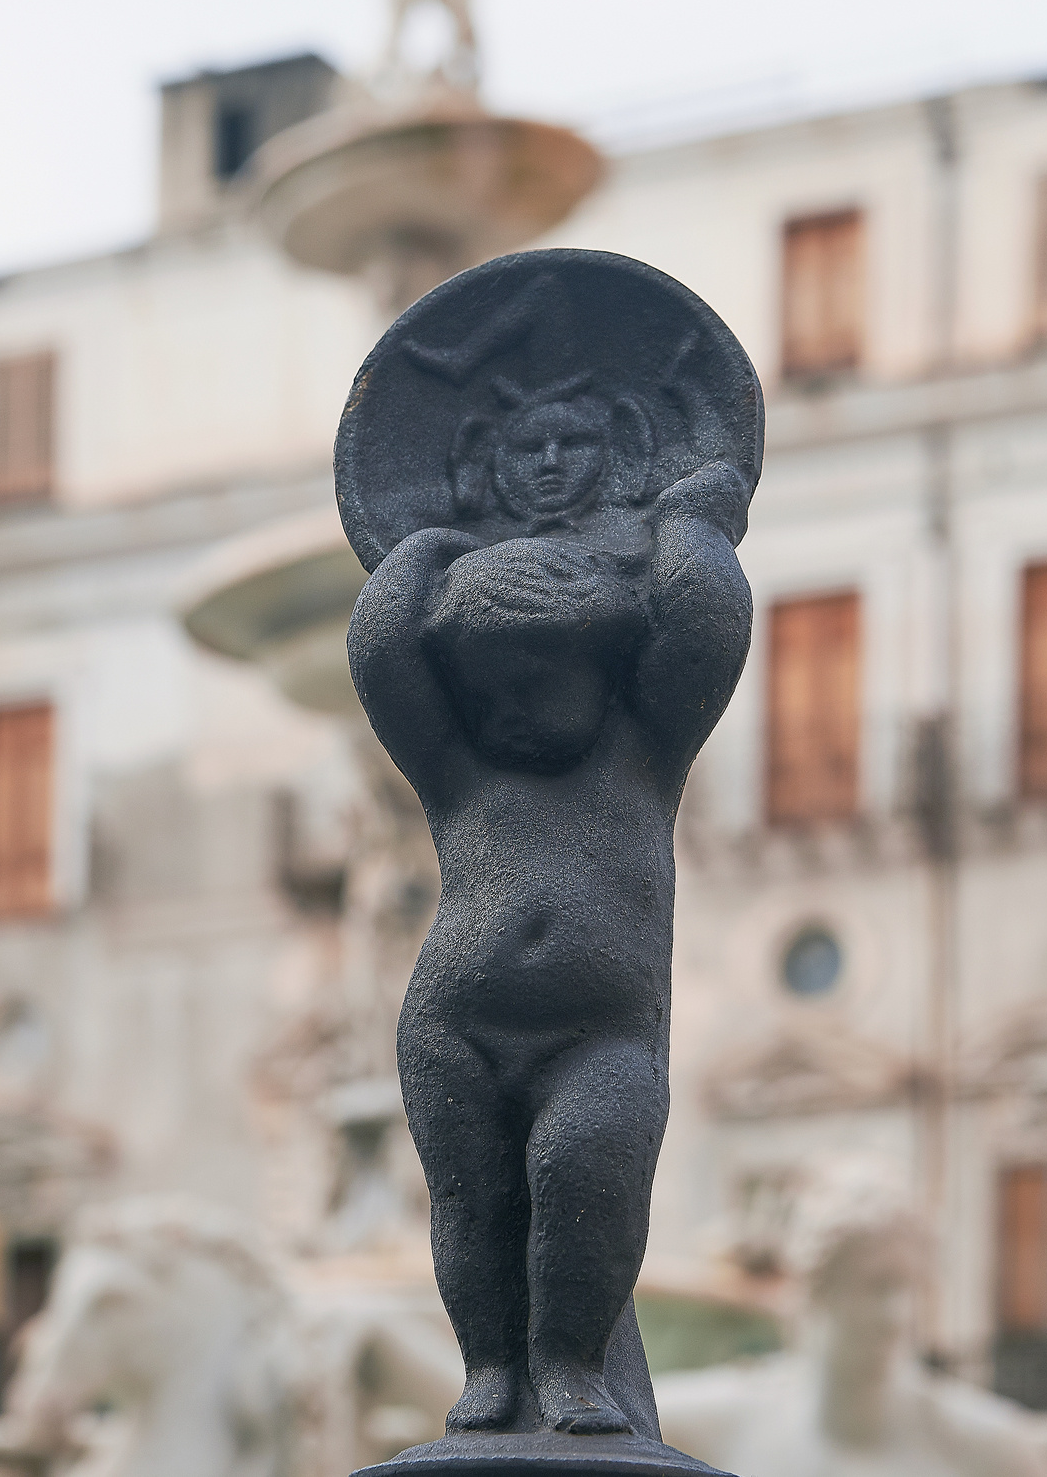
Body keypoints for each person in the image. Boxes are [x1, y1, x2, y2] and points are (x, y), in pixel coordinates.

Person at [347, 372, 752, 1438]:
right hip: (455, 1022)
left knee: (589, 1174)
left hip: (602, 1028)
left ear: (597, 669)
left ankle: (571, 1364)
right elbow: (381, 650)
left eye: (540, 673)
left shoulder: (642, 752)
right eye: (493, 681)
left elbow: (704, 630)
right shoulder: (457, 771)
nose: (514, 699)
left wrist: (687, 526)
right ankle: (488, 1370)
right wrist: (430, 551)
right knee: (472, 1203)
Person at [655, 1162, 1047, 1477]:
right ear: (817, 1291)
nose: (899, 1314)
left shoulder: (992, 1447)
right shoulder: (706, 1422)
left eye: (911, 1287)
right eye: (876, 1285)